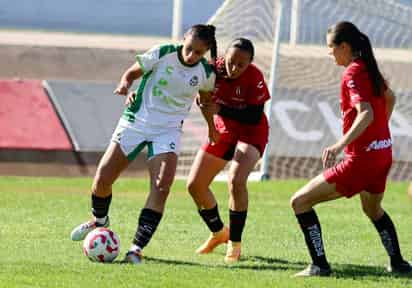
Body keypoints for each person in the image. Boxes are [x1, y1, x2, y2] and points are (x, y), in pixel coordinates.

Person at [70, 24, 217, 264]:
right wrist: (125, 85)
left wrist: (211, 128)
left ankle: (136, 249)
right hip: (136, 121)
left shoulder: (206, 73)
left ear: (206, 51)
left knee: (161, 187)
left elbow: (205, 100)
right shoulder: (162, 53)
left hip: (168, 131)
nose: (191, 56)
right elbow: (131, 73)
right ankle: (99, 221)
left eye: (198, 53)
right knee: (102, 180)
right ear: (183, 41)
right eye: (189, 49)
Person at [290, 21, 411, 277]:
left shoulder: (353, 72)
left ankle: (319, 266)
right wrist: (380, 132)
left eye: (331, 48)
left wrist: (338, 145)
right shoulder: (369, 67)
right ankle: (398, 263)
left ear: (344, 47)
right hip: (382, 155)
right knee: (372, 209)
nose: (329, 53)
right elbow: (390, 97)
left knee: (299, 202)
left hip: (362, 160)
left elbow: (365, 113)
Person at [186, 38, 270, 263]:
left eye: (241, 64)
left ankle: (235, 242)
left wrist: (220, 108)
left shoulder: (255, 77)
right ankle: (218, 232)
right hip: (223, 130)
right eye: (232, 62)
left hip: (252, 131)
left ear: (250, 63)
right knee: (195, 185)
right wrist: (208, 117)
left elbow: (253, 116)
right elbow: (201, 99)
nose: (234, 68)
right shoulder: (212, 70)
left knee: (236, 180)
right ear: (225, 56)